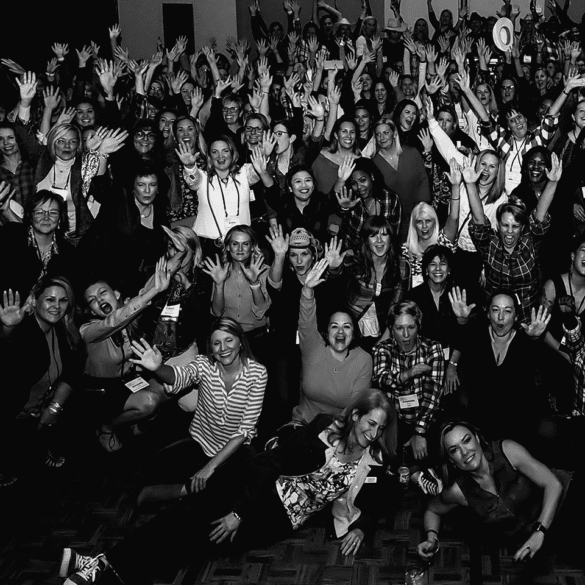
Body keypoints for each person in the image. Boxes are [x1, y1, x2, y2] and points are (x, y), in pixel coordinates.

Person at [59, 390, 396, 585]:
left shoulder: (372, 463)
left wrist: (363, 527)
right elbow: (270, 465)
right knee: (183, 519)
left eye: (380, 428)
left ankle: (97, 565)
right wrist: (238, 512)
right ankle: (102, 572)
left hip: (279, 519)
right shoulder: (322, 430)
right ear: (355, 416)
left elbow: (378, 496)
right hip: (256, 490)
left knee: (194, 542)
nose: (373, 432)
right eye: (370, 423)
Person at [129, 316, 267, 507]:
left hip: (237, 449)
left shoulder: (257, 374)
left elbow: (245, 430)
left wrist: (209, 468)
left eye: (229, 340)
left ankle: (180, 492)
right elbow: (180, 376)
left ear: (240, 342)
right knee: (156, 465)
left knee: (242, 486)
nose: (223, 348)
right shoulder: (204, 365)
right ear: (211, 348)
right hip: (202, 442)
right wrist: (158, 368)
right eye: (216, 343)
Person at [417, 420, 564, 564]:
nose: (464, 451)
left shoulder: (507, 450)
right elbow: (432, 510)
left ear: (477, 438)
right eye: (454, 450)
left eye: (466, 440)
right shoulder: (458, 491)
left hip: (563, 505)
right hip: (533, 546)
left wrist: (539, 532)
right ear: (451, 460)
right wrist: (431, 538)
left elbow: (553, 484)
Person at [0, 276, 83, 485]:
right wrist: (8, 329)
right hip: (10, 414)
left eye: (63, 300)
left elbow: (72, 373)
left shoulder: (66, 332)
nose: (57, 306)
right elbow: (8, 353)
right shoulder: (23, 328)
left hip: (37, 411)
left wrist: (54, 407)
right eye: (50, 300)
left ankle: (40, 445)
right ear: (34, 301)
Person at [466, 153, 562, 324]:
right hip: (495, 320)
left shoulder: (529, 242)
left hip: (525, 320)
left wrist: (552, 182)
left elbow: (539, 217)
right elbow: (479, 221)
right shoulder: (490, 245)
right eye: (505, 225)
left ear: (522, 228)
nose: (509, 231)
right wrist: (470, 184)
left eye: (515, 226)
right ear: (498, 226)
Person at [449, 288, 551, 443]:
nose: (501, 317)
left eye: (507, 311)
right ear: (488, 314)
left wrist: (535, 339)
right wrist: (462, 321)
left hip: (515, 433)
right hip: (479, 430)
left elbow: (536, 363)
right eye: (495, 310)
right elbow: (461, 338)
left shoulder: (524, 343)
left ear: (516, 316)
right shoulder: (477, 336)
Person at [292, 257, 373, 424]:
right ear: (327, 331)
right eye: (335, 326)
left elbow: (355, 406)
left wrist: (332, 435)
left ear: (354, 332)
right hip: (302, 424)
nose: (340, 332)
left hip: (339, 430)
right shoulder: (313, 347)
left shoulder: (364, 359)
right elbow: (306, 320)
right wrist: (307, 289)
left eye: (347, 327)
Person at [372, 301, 445, 471]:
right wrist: (408, 374)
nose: (406, 334)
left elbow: (433, 396)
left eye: (411, 327)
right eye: (399, 328)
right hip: (395, 420)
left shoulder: (433, 349)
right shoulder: (383, 349)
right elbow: (381, 379)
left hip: (426, 418)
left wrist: (419, 432)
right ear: (391, 328)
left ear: (418, 326)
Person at [179, 136, 276, 251]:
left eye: (225, 151)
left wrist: (264, 155)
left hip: (241, 246)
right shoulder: (202, 177)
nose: (220, 156)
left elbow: (257, 169)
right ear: (209, 157)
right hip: (208, 246)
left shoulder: (244, 173)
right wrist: (190, 167)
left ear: (232, 153)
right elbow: (192, 179)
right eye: (215, 152)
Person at [202, 224, 271, 361]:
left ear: (252, 247)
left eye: (245, 244)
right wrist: (219, 284)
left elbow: (262, 310)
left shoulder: (264, 271)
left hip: (256, 339)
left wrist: (254, 282)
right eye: (235, 244)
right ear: (227, 247)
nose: (240, 249)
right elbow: (216, 312)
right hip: (227, 338)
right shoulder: (219, 272)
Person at [0, 190, 79, 297]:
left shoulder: (68, 252)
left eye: (53, 213)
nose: (46, 217)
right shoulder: (10, 236)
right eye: (39, 212)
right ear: (30, 216)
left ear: (60, 219)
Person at [373, 119, 430, 241]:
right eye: (378, 134)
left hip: (418, 218)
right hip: (392, 222)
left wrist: (422, 211)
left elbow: (423, 180)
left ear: (394, 134)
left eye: (386, 133)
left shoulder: (411, 153)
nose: (382, 137)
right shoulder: (374, 164)